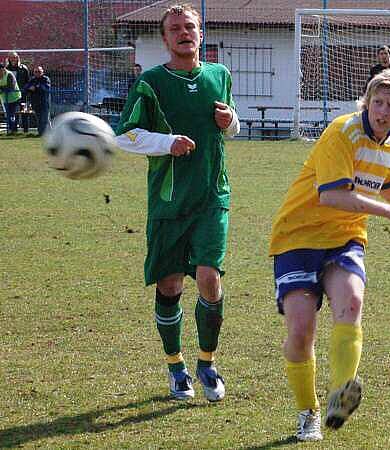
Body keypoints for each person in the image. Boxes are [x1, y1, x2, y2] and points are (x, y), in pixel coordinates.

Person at [269, 68, 390, 441]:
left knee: (351, 301)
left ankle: (340, 394)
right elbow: (331, 195)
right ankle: (308, 412)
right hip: (297, 237)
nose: (383, 111)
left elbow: (388, 186)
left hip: (344, 237)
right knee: (301, 331)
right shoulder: (342, 132)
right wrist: (387, 213)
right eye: (378, 102)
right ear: (366, 102)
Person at [115, 3, 240, 402]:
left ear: (201, 34)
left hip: (211, 196)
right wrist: (168, 143)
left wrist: (231, 121)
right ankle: (176, 367)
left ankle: (207, 363)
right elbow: (125, 136)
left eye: (190, 26)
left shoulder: (219, 75)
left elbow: (228, 127)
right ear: (165, 38)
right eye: (175, 28)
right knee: (170, 285)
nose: (183, 32)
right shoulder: (151, 83)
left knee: (209, 278)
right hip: (169, 201)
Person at [24, 66, 51, 136]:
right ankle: (41, 133)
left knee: (44, 119)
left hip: (44, 102)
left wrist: (35, 87)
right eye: (36, 72)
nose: (37, 73)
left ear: (42, 72)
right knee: (39, 120)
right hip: (35, 103)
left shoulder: (45, 79)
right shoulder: (32, 80)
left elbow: (45, 88)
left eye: (39, 72)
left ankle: (45, 133)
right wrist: (30, 88)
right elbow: (26, 87)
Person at [6, 52, 30, 130]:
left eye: (15, 57)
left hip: (22, 94)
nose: (13, 59)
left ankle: (26, 130)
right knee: (13, 113)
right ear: (9, 59)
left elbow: (28, 82)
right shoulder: (6, 69)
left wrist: (25, 90)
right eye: (11, 57)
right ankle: (13, 130)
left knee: (24, 112)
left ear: (18, 58)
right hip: (11, 95)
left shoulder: (24, 68)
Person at [0, 62, 22, 134]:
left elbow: (10, 87)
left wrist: (1, 88)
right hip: (5, 99)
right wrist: (3, 89)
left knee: (12, 115)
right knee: (9, 115)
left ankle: (13, 130)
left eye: (1, 70)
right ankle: (11, 130)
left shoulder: (9, 75)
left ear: (4, 69)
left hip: (15, 98)